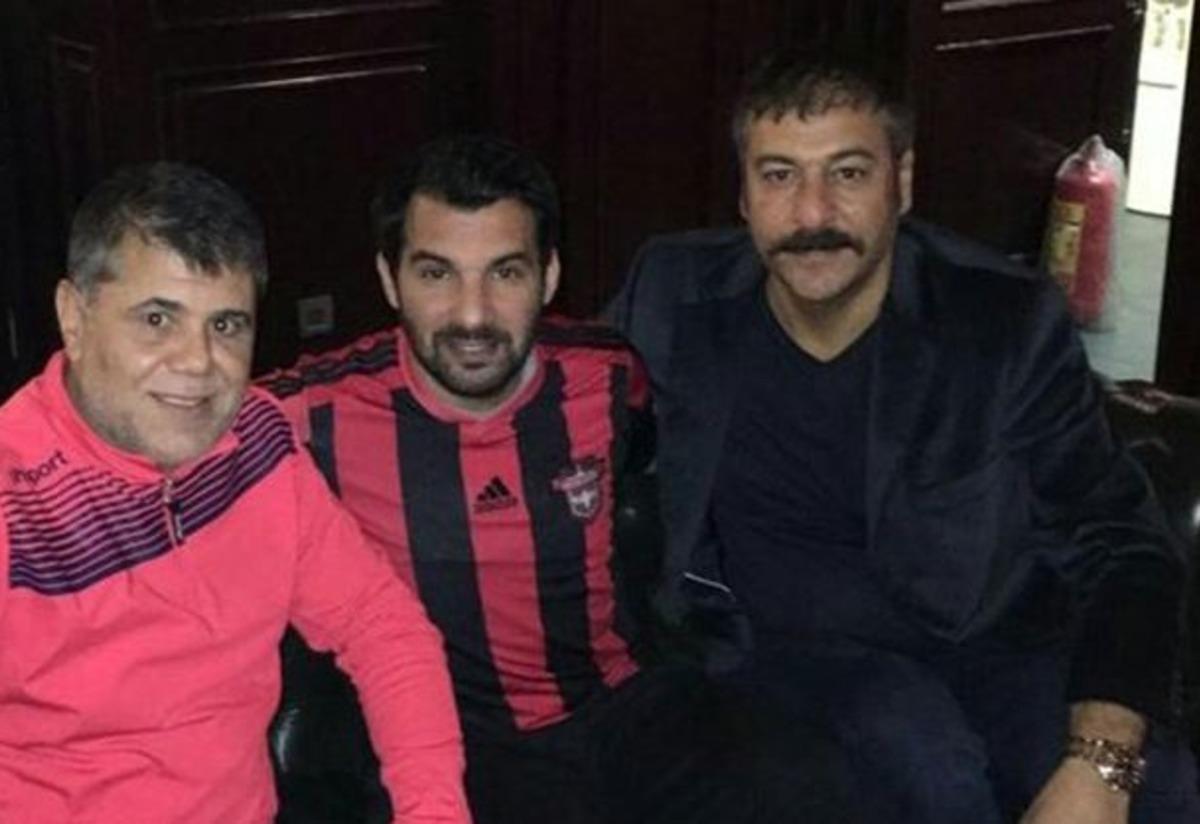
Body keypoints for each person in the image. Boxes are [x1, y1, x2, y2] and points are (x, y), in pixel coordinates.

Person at [607, 49, 1200, 824]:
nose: (812, 215)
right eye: (779, 175)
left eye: (848, 173)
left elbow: (1122, 539)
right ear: (744, 195)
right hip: (785, 655)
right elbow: (555, 397)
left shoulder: (1002, 323)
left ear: (903, 181)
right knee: (925, 769)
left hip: (994, 644)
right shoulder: (677, 294)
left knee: (1157, 793)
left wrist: (1103, 760)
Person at [259, 135, 779, 824]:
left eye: (505, 273)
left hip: (629, 708)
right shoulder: (313, 411)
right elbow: (168, 428)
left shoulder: (608, 374)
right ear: (389, 279)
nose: (472, 315)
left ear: (549, 274)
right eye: (436, 274)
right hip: (465, 742)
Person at [0, 162, 471, 824]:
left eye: (225, 326)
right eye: (157, 319)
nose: (198, 362)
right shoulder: (15, 501)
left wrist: (434, 811)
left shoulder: (257, 440)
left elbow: (383, 627)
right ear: (73, 318)